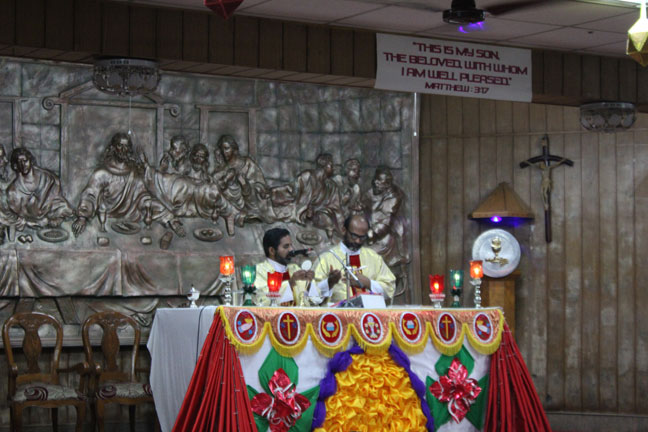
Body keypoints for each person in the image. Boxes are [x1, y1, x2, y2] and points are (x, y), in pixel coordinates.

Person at [72, 132, 185, 237]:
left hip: (132, 218)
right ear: (113, 148)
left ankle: (172, 221)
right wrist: (82, 217)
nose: (123, 149)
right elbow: (90, 195)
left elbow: (143, 197)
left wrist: (169, 217)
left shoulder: (134, 171)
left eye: (126, 146)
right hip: (107, 219)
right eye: (120, 146)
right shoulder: (102, 173)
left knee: (150, 203)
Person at [313, 214, 395, 303]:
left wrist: (368, 283)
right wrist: (329, 283)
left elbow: (389, 289)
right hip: (339, 311)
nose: (358, 241)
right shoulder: (326, 259)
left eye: (362, 237)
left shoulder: (374, 258)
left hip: (369, 311)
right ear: (344, 230)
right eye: (354, 236)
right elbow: (311, 297)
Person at [213, 135, 275, 225]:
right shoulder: (223, 170)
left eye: (226, 148)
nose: (224, 152)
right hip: (235, 203)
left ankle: (253, 214)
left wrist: (250, 186)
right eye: (222, 149)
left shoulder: (247, 163)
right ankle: (240, 216)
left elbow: (259, 182)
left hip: (252, 200)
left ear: (234, 149)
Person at [6, 148, 74, 228]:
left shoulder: (47, 178)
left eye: (25, 161)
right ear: (15, 166)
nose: (23, 164)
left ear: (31, 161)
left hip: (50, 212)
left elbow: (56, 199)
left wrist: (54, 218)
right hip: (32, 220)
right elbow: (19, 214)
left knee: (64, 209)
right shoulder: (13, 190)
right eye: (19, 162)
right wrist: (32, 220)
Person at [254, 227, 314, 306]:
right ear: (272, 251)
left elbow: (314, 301)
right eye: (286, 246)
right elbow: (262, 301)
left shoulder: (295, 268)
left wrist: (309, 285)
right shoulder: (259, 271)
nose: (291, 249)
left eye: (291, 245)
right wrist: (290, 284)